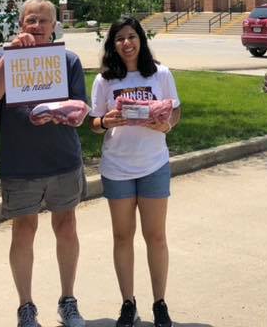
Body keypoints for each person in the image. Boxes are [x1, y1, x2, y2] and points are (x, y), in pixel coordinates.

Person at [0, 0, 87, 327]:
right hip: (21, 163)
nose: (37, 26)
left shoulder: (68, 59)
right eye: (31, 20)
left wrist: (63, 114)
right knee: (23, 231)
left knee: (66, 227)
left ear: (55, 27)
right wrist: (12, 56)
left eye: (43, 21)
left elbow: (80, 111)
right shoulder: (3, 56)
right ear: (21, 24)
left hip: (62, 160)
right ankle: (26, 307)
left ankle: (68, 301)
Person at [90, 16, 181, 327]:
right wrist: (106, 122)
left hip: (153, 164)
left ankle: (160, 303)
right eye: (120, 39)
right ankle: (127, 303)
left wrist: (166, 124)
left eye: (132, 37)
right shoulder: (105, 80)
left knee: (155, 236)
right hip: (117, 167)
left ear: (141, 40)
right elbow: (95, 123)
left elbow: (175, 109)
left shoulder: (161, 73)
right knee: (122, 236)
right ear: (113, 45)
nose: (126, 43)